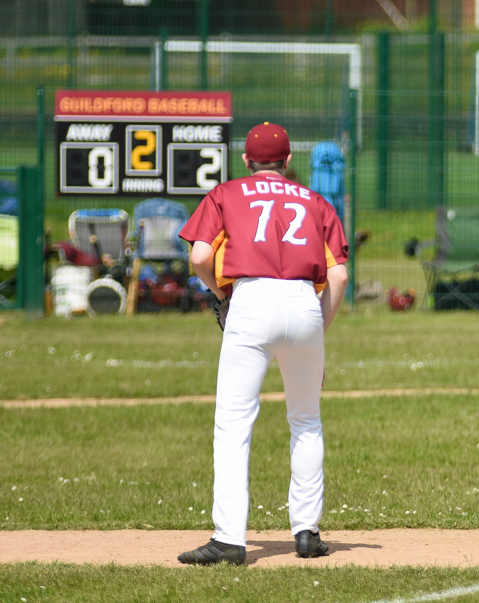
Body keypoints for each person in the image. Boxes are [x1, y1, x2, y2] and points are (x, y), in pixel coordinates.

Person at [176, 122, 349, 565]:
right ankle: (307, 533)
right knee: (306, 419)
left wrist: (222, 294)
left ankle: (229, 539)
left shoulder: (226, 194)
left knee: (234, 424)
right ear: (288, 161)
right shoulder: (316, 201)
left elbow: (199, 256)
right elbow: (339, 275)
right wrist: (317, 336)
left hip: (251, 299)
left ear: (246, 160)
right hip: (304, 304)